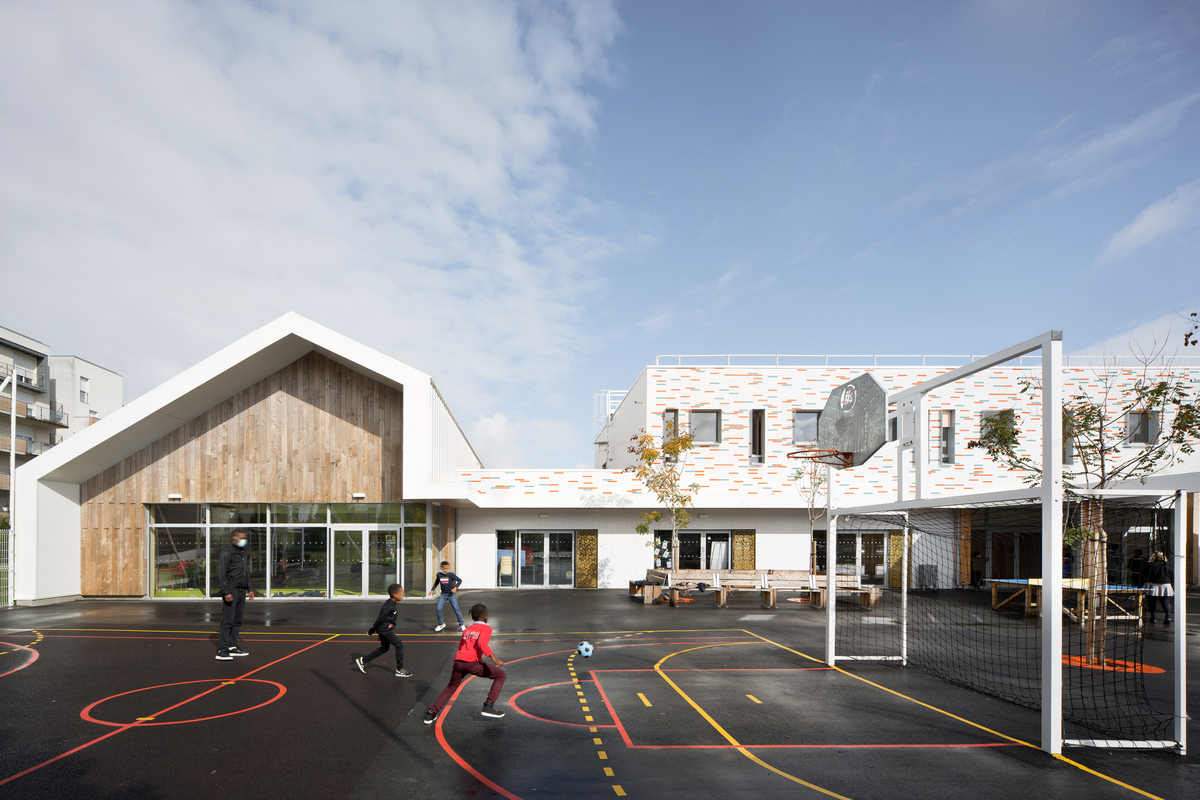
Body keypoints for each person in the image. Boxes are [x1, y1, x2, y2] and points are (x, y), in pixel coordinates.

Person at [424, 603, 506, 724]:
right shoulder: (486, 628)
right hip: (472, 663)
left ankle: (431, 713)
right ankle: (489, 705)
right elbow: (481, 644)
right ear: (485, 617)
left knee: (450, 687)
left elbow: (461, 647)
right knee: (501, 675)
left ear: (473, 618)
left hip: (459, 662)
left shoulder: (467, 629)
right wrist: (493, 657)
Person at [216, 529, 256, 661]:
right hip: (231, 590)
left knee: (237, 621)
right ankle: (222, 649)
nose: (244, 540)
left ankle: (233, 646)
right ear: (235, 538)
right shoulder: (227, 553)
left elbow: (246, 573)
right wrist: (226, 592)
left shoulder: (242, 553)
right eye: (241, 537)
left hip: (241, 591)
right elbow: (222, 575)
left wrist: (250, 588)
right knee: (228, 621)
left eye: (244, 538)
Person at [356, 583, 412, 677]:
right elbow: (380, 619)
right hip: (385, 630)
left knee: (384, 648)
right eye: (401, 593)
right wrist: (372, 631)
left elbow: (385, 620)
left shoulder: (392, 604)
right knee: (399, 645)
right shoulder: (389, 606)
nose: (402, 595)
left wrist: (380, 633)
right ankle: (400, 669)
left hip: (384, 630)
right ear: (394, 595)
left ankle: (363, 660)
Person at [428, 561, 465, 632]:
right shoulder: (439, 575)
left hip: (451, 595)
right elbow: (436, 582)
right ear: (441, 568)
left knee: (456, 609)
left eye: (447, 568)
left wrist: (455, 587)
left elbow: (459, 580)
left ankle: (462, 624)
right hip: (443, 595)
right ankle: (441, 624)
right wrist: (432, 590)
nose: (446, 570)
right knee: (438, 608)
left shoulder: (451, 575)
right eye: (444, 568)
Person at [1145, 551, 1174, 625]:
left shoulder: (1149, 565)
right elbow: (1172, 576)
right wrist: (1173, 586)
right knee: (1165, 601)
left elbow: (1144, 575)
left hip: (1152, 584)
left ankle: (1153, 617)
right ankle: (1168, 617)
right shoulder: (1168, 565)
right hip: (1165, 584)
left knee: (1151, 602)